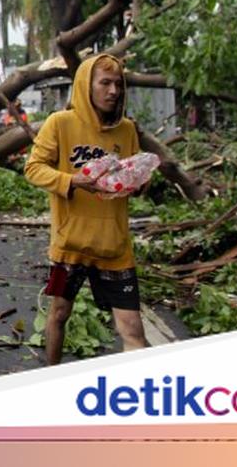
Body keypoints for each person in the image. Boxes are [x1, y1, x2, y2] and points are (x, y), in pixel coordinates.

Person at [25, 54, 149, 365]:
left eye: (118, 84)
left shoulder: (127, 131)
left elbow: (130, 175)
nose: (113, 91)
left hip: (114, 246)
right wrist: (74, 181)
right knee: (59, 315)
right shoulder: (60, 124)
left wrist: (140, 183)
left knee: (132, 329)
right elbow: (34, 168)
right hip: (71, 245)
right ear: (85, 86)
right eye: (105, 83)